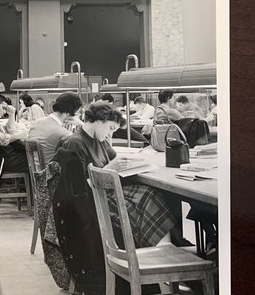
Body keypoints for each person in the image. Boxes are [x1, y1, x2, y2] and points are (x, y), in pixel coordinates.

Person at [62, 102, 176, 248]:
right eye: (110, 128)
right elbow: (77, 190)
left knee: (152, 193)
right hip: (94, 200)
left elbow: (115, 158)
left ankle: (166, 246)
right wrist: (109, 168)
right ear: (98, 120)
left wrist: (134, 163)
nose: (111, 133)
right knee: (148, 196)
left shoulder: (99, 139)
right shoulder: (76, 143)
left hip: (106, 192)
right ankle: (163, 249)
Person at [29, 92, 83, 164]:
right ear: (70, 113)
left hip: (36, 169)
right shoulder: (64, 133)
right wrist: (81, 124)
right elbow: (84, 144)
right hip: (51, 172)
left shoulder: (36, 123)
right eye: (76, 113)